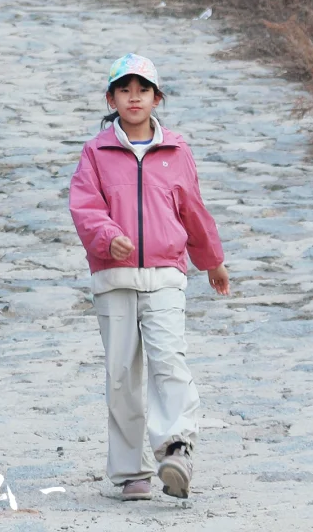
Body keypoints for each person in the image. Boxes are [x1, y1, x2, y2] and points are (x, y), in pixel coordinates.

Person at [68, 52, 229, 503]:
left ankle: (177, 449)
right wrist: (108, 238)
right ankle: (129, 473)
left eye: (143, 90)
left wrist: (212, 260)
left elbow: (193, 210)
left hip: (165, 276)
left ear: (157, 98)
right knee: (122, 374)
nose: (134, 97)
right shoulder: (95, 152)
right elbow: (84, 207)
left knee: (169, 362)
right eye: (125, 90)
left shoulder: (177, 151)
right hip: (114, 279)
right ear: (111, 99)